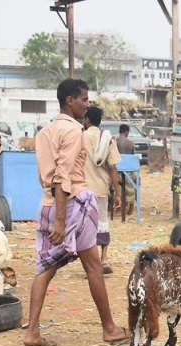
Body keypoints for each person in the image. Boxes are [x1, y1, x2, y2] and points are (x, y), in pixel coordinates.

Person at [22, 78, 128, 346]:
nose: (87, 104)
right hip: (72, 204)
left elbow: (50, 176)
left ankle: (32, 331)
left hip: (48, 203)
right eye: (83, 99)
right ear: (70, 100)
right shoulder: (74, 132)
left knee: (45, 267)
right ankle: (109, 328)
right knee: (92, 266)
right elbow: (63, 176)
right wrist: (61, 219)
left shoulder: (45, 132)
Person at [81, 105, 121, 273]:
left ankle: (92, 260)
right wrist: (118, 193)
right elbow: (113, 168)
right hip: (102, 188)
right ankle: (104, 258)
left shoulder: (79, 137)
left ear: (87, 119)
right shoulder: (108, 139)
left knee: (85, 226)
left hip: (82, 188)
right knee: (102, 222)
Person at [115, 123, 137, 220]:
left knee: (118, 189)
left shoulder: (114, 142)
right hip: (128, 169)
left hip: (116, 169)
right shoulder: (131, 143)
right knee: (130, 189)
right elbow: (132, 157)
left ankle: (119, 209)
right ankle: (131, 208)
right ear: (126, 132)